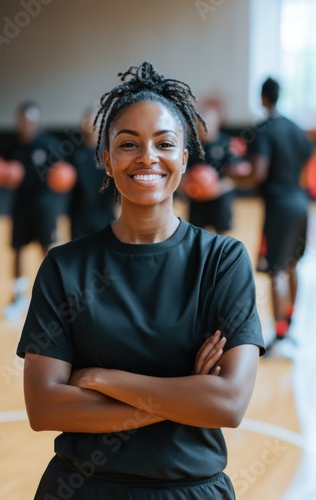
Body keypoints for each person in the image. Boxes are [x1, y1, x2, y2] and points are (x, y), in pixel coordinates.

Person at [17, 62, 264, 499]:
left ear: (184, 159)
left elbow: (227, 404)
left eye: (164, 143)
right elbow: (43, 406)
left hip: (189, 489)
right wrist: (184, 394)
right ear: (107, 161)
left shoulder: (223, 261)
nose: (147, 157)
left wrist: (103, 378)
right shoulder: (64, 266)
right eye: (128, 144)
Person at [232, 77, 312, 359]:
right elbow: (306, 166)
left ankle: (280, 335)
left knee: (276, 269)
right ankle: (289, 324)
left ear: (263, 98)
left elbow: (257, 173)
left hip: (279, 206)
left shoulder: (263, 130)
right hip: (301, 203)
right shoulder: (296, 128)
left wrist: (230, 176)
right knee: (291, 267)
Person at [4, 102, 63, 320]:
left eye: (31, 121)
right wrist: (5, 175)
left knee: (47, 250)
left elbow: (63, 173)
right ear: (18, 122)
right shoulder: (12, 146)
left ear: (37, 122)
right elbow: (1, 173)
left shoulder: (49, 144)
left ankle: (52, 298)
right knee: (17, 249)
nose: (26, 125)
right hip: (21, 206)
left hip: (45, 207)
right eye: (23, 121)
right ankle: (18, 295)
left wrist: (61, 177)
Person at [186, 106, 244, 234]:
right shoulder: (193, 146)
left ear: (215, 124)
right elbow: (183, 175)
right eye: (199, 126)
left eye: (206, 125)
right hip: (197, 201)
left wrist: (215, 188)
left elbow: (236, 177)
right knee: (196, 236)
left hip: (220, 198)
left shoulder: (227, 143)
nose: (202, 130)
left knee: (221, 237)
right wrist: (189, 187)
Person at [68, 107, 115, 240]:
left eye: (95, 120)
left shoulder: (109, 153)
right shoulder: (73, 153)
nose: (91, 123)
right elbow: (64, 181)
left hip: (104, 214)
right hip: (79, 216)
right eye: (87, 120)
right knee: (79, 256)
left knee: (105, 256)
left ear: (101, 124)